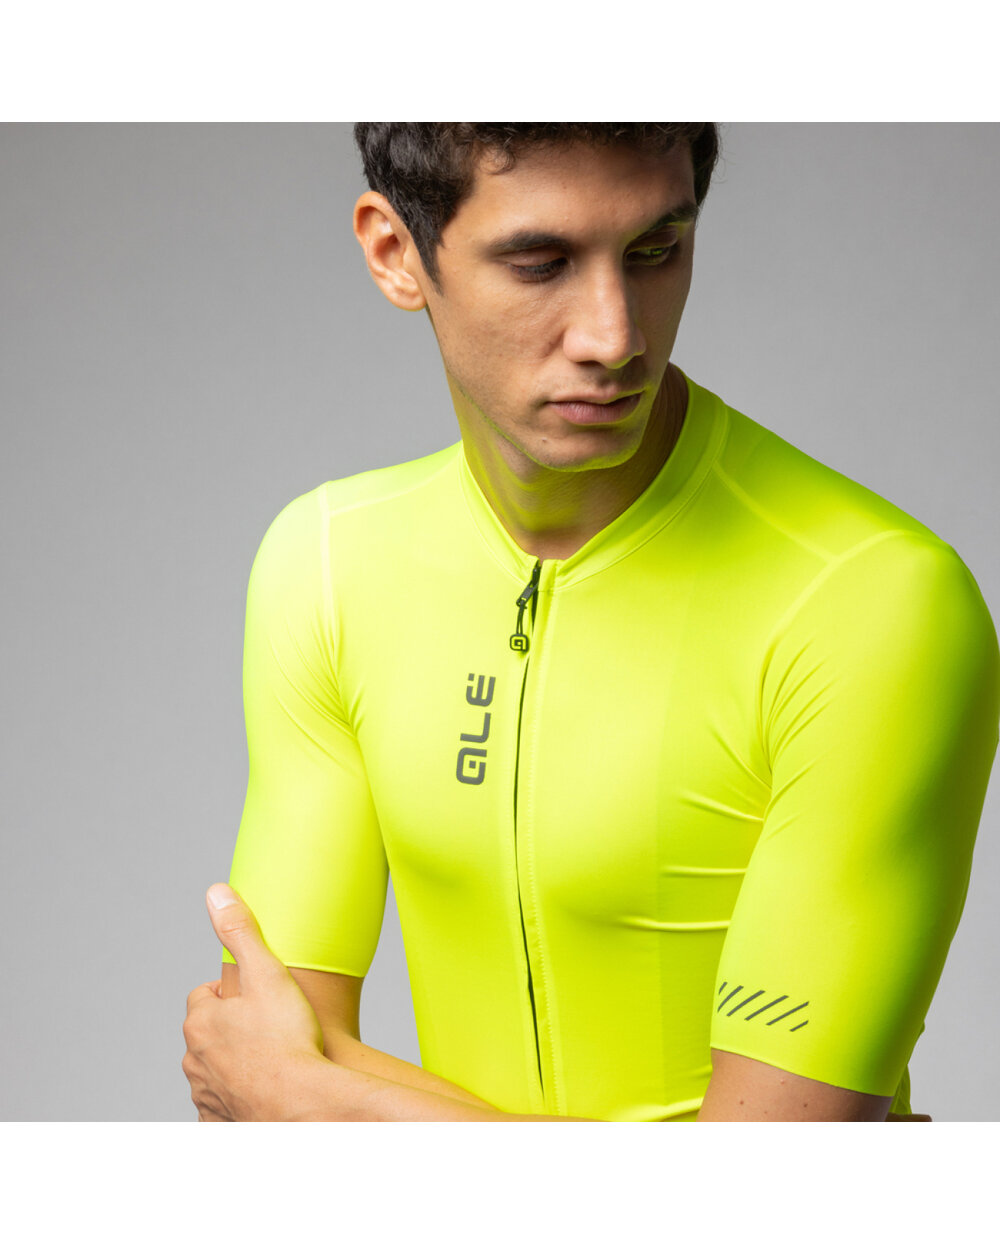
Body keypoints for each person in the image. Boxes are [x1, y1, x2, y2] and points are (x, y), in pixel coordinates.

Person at [182, 123, 999, 1122]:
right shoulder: (324, 565)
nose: (614, 337)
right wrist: (295, 1088)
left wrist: (308, 1095)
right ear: (396, 253)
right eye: (541, 263)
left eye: (656, 250)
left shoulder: (872, 603)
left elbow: (765, 1197)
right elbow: (264, 1065)